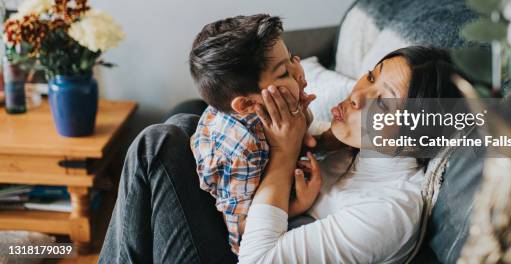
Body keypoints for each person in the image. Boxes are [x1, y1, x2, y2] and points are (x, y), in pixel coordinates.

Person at [100, 46, 463, 263]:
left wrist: (284, 153)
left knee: (158, 144)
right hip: (244, 240)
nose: (357, 95)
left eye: (383, 101)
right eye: (370, 75)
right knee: (184, 126)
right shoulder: (349, 149)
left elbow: (258, 259)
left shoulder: (389, 211)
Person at [188, 14, 325, 254]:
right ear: (247, 105)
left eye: (292, 58)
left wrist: (302, 120)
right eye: (284, 73)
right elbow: (239, 226)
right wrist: (296, 206)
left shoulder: (274, 108)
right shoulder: (243, 149)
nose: (299, 69)